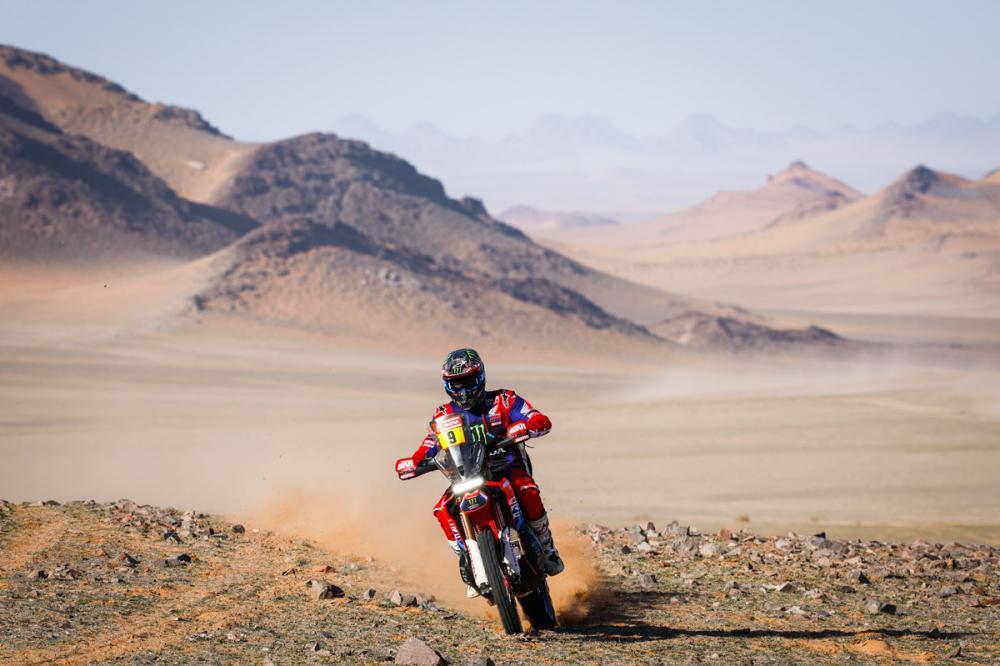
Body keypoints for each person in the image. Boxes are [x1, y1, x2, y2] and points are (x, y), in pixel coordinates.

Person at [395, 348, 564, 597]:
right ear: (448, 385)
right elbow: (431, 443)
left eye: (468, 381)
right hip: (465, 474)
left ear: (480, 377)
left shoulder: (504, 400)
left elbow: (537, 418)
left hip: (506, 466)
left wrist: (525, 426)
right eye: (457, 384)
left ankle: (548, 549)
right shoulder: (444, 415)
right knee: (442, 509)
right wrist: (415, 461)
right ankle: (469, 558)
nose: (463, 390)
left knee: (527, 489)